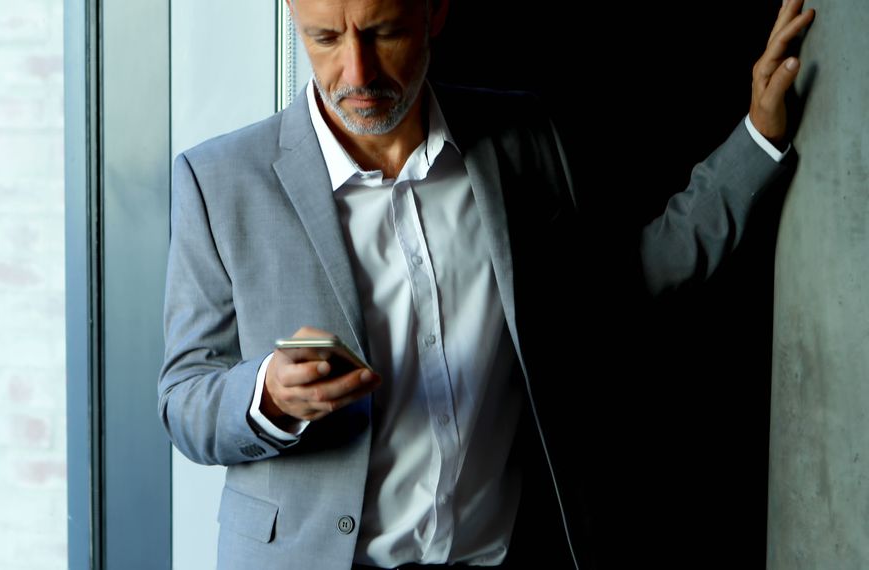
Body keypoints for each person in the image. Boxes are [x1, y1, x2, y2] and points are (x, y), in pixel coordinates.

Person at [158, 0, 815, 568]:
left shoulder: (522, 140)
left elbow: (628, 282)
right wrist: (266, 395)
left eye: (383, 32)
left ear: (434, 12)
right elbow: (184, 400)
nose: (355, 74)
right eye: (325, 38)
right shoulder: (219, 182)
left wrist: (758, 137)